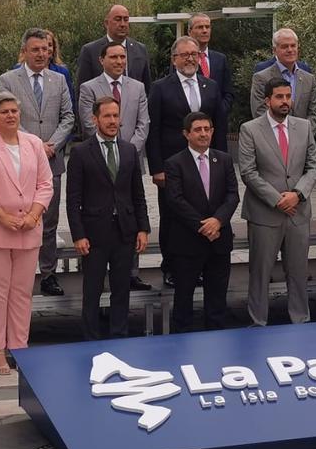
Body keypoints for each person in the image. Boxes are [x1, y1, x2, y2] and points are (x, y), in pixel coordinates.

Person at [0, 92, 54, 373]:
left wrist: (34, 214)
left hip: (28, 228)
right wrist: (2, 216)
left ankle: (20, 347)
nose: (11, 115)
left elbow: (46, 183)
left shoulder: (34, 144)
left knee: (21, 293)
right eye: (4, 111)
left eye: (15, 111)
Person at [0, 28, 75, 297]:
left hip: (51, 161)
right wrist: (35, 145)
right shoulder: (7, 80)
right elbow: (8, 118)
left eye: (45, 49)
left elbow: (69, 117)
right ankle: (18, 275)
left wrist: (51, 145)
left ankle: (48, 274)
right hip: (18, 163)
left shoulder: (59, 80)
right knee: (17, 217)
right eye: (36, 50)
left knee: (49, 221)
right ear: (25, 51)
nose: (42, 54)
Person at [67, 96, 151, 340]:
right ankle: (90, 339)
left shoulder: (129, 150)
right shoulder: (81, 153)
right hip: (93, 234)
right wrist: (78, 234)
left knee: (121, 289)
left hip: (125, 231)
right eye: (107, 116)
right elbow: (73, 199)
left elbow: (138, 193)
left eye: (116, 116)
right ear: (95, 119)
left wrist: (143, 228)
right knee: (92, 290)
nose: (113, 121)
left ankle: (119, 336)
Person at [238, 78, 316, 326]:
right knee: (260, 274)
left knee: (297, 273)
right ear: (267, 100)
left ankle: (300, 320)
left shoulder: (303, 127)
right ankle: (258, 322)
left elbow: (313, 167)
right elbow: (248, 172)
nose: (285, 102)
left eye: (288, 96)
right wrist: (277, 199)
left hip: (298, 212)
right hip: (265, 214)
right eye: (279, 97)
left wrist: (298, 193)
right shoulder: (250, 129)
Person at [147, 36, 225, 288]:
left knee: (203, 211)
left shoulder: (211, 86)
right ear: (174, 59)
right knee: (172, 217)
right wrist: (156, 167)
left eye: (195, 54)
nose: (191, 58)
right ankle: (170, 267)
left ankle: (201, 266)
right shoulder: (160, 87)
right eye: (185, 55)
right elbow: (154, 129)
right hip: (172, 165)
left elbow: (220, 128)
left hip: (205, 163)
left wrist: (222, 163)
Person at [78, 41, 152, 291]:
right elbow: (89, 125)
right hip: (99, 164)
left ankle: (132, 272)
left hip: (129, 160)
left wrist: (128, 151)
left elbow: (144, 123)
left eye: (123, 57)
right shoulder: (89, 88)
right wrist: (109, 148)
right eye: (114, 57)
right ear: (102, 60)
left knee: (130, 210)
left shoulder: (138, 87)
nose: (120, 61)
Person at [163, 112, 239, 332]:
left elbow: (232, 195)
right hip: (188, 243)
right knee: (184, 301)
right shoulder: (174, 163)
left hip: (219, 240)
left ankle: (215, 345)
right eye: (198, 129)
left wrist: (218, 220)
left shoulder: (223, 159)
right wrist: (203, 226)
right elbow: (175, 201)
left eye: (207, 129)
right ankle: (182, 348)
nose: (203, 133)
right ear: (186, 134)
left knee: (217, 301)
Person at [252, 28, 316, 131]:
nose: (290, 50)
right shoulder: (261, 78)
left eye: (293, 46)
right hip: (272, 141)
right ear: (274, 50)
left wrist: (302, 137)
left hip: (302, 142)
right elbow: (259, 113)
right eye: (284, 46)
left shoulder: (309, 79)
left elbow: (313, 115)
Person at [75, 4, 152, 91]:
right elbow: (82, 90)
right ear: (106, 23)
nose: (123, 24)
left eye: (126, 20)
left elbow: (147, 88)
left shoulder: (140, 50)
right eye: (118, 19)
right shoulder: (90, 51)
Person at [188, 13, 234, 141]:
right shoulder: (184, 60)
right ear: (190, 31)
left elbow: (228, 92)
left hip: (217, 127)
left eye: (207, 27)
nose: (204, 30)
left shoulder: (220, 59)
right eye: (200, 27)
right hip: (193, 126)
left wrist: (220, 110)